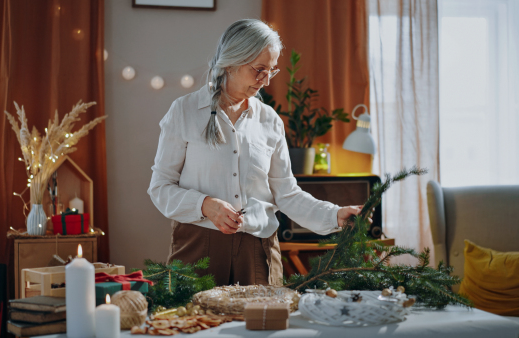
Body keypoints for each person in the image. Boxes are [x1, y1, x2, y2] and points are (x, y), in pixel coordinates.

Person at [148, 19, 366, 287]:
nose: (266, 80)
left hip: (259, 251)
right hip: (197, 248)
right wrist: (205, 205)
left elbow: (286, 194)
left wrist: (334, 214)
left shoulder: (270, 120)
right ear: (231, 61)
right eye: (259, 70)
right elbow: (160, 187)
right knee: (194, 326)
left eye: (272, 71)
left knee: (265, 326)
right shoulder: (184, 111)